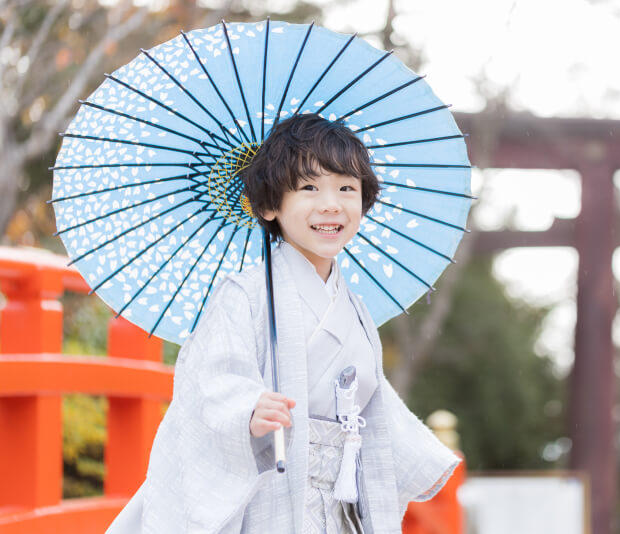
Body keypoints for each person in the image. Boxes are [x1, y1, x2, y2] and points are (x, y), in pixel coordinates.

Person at [106, 113, 461, 534]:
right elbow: (210, 383)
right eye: (309, 187)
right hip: (271, 492)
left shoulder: (355, 309)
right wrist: (248, 408)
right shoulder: (244, 294)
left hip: (343, 503)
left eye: (347, 188)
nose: (331, 203)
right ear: (269, 205)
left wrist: (417, 453)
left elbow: (370, 401)